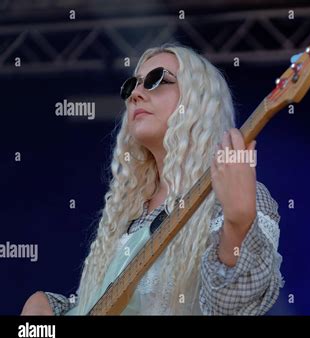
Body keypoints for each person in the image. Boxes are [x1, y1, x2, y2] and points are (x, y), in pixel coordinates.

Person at [20, 43, 284, 315]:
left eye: (157, 80)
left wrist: (238, 225)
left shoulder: (228, 199)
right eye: (132, 86)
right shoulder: (130, 208)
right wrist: (45, 308)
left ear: (198, 101)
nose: (135, 94)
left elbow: (233, 309)